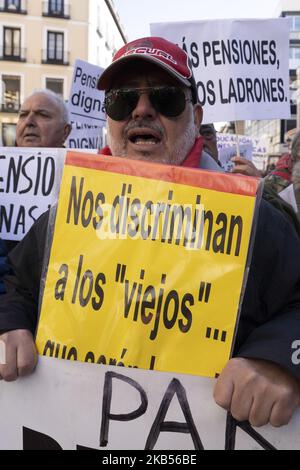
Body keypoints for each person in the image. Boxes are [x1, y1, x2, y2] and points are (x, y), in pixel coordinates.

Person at [1, 37, 300, 430]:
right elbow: (18, 285)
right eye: (123, 101)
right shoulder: (67, 214)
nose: (141, 110)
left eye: (165, 98)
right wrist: (10, 324)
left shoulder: (258, 218)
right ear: (109, 118)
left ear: (195, 115)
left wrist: (279, 358)